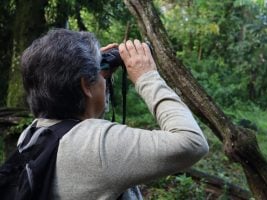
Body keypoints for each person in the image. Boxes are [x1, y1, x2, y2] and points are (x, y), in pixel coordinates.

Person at [19, 29, 209, 199]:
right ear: (86, 86)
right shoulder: (97, 147)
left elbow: (80, 128)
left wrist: (90, 71)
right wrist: (147, 77)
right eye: (96, 76)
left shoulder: (32, 135)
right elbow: (192, 142)